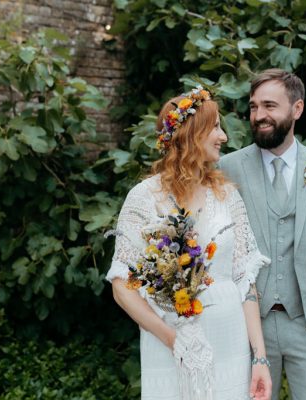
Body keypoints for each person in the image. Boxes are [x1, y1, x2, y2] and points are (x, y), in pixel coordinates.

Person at [106, 87, 272, 400]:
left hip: (228, 340)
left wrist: (259, 357)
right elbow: (121, 284)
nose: (223, 137)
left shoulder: (228, 196)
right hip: (170, 341)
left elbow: (245, 278)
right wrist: (174, 340)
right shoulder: (145, 198)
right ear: (190, 135)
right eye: (215, 127)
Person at [219, 69, 306, 400]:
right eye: (253, 107)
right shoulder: (229, 168)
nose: (259, 115)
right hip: (249, 326)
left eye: (270, 105)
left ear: (297, 109)